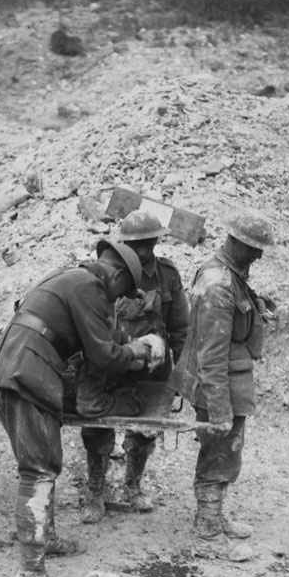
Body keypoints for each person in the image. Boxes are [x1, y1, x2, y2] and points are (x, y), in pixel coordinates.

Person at [0, 240, 154, 577]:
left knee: (43, 465)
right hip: (26, 369)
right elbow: (103, 354)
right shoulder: (90, 287)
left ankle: (48, 538)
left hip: (15, 361)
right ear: (117, 275)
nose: (119, 301)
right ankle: (30, 572)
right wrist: (137, 349)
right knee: (38, 471)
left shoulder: (69, 275)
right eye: (123, 293)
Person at [176, 209, 275, 558]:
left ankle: (214, 517)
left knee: (227, 453)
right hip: (219, 385)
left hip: (231, 381)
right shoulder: (219, 284)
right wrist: (219, 409)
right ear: (236, 242)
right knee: (218, 453)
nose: (259, 255)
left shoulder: (230, 275)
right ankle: (206, 532)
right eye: (254, 248)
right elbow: (211, 354)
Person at [78, 212, 189, 523]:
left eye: (148, 242)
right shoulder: (107, 272)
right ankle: (95, 491)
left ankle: (132, 486)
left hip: (152, 370)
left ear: (156, 240)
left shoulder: (168, 275)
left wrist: (178, 370)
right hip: (111, 363)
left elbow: (181, 326)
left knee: (145, 431)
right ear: (125, 242)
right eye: (136, 243)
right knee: (97, 429)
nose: (142, 249)